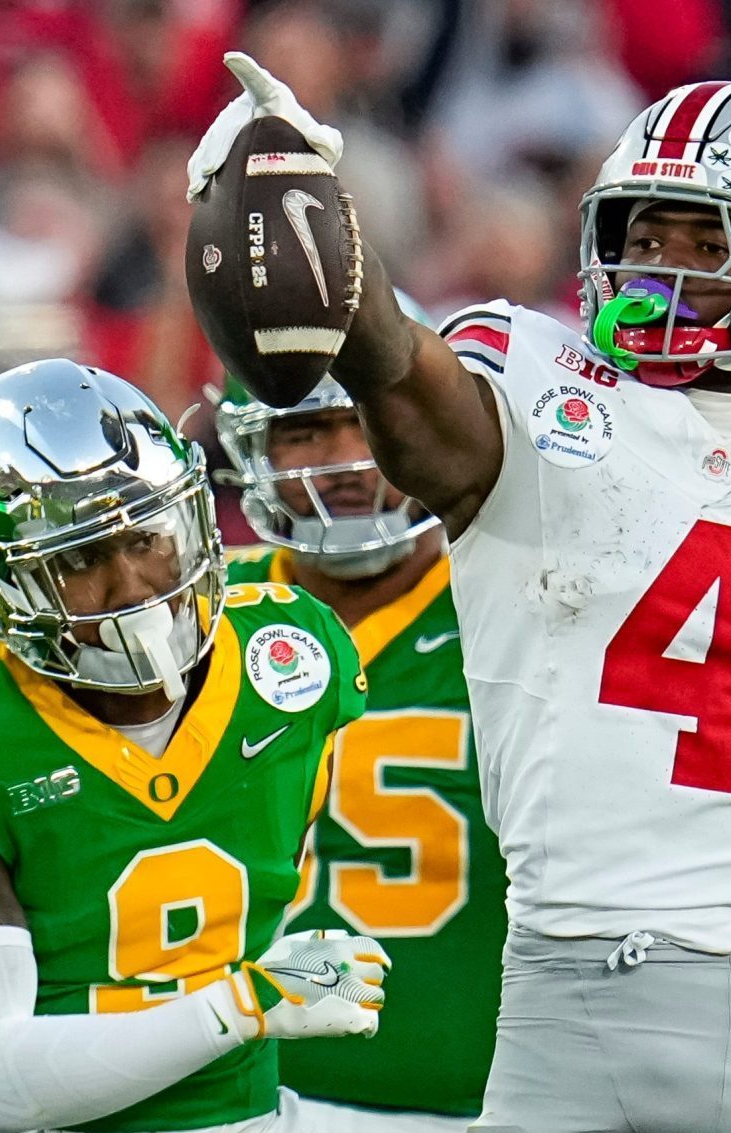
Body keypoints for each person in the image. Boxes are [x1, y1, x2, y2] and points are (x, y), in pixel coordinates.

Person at [190, 60, 731, 1131]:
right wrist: (319, 219)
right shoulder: (529, 386)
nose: (662, 267)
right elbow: (397, 377)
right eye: (643, 235)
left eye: (706, 239)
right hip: (557, 985)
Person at [0, 358, 392, 1133]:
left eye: (149, 536)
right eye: (77, 559)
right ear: (1, 580)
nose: (134, 584)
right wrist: (242, 1003)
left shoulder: (287, 653)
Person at [216, 369, 507, 1131]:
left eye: (367, 423)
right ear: (252, 452)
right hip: (238, 1097)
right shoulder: (200, 621)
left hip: (465, 1101)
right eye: (306, 431)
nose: (345, 460)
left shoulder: (516, 605)